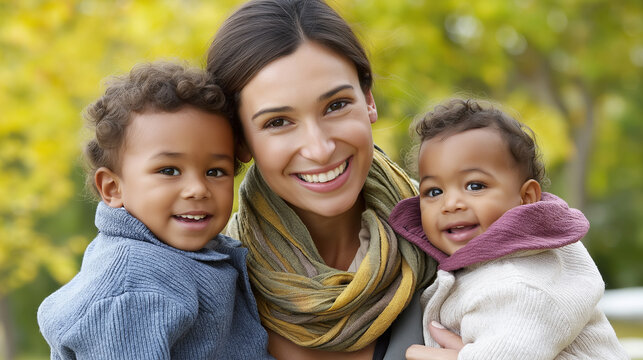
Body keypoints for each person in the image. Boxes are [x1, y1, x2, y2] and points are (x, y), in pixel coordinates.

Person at [205, 0, 460, 359]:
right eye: (278, 122)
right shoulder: (212, 283)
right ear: (242, 141)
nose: (320, 149)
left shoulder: (470, 232)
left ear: (368, 99)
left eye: (336, 105)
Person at [37, 62, 273, 360]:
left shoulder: (196, 252)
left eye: (215, 171)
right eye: (169, 170)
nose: (197, 189)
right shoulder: (133, 288)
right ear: (113, 188)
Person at [389, 98, 628, 359]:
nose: (451, 204)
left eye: (475, 186)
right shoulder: (483, 264)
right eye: (434, 191)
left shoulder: (523, 282)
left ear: (526, 198)